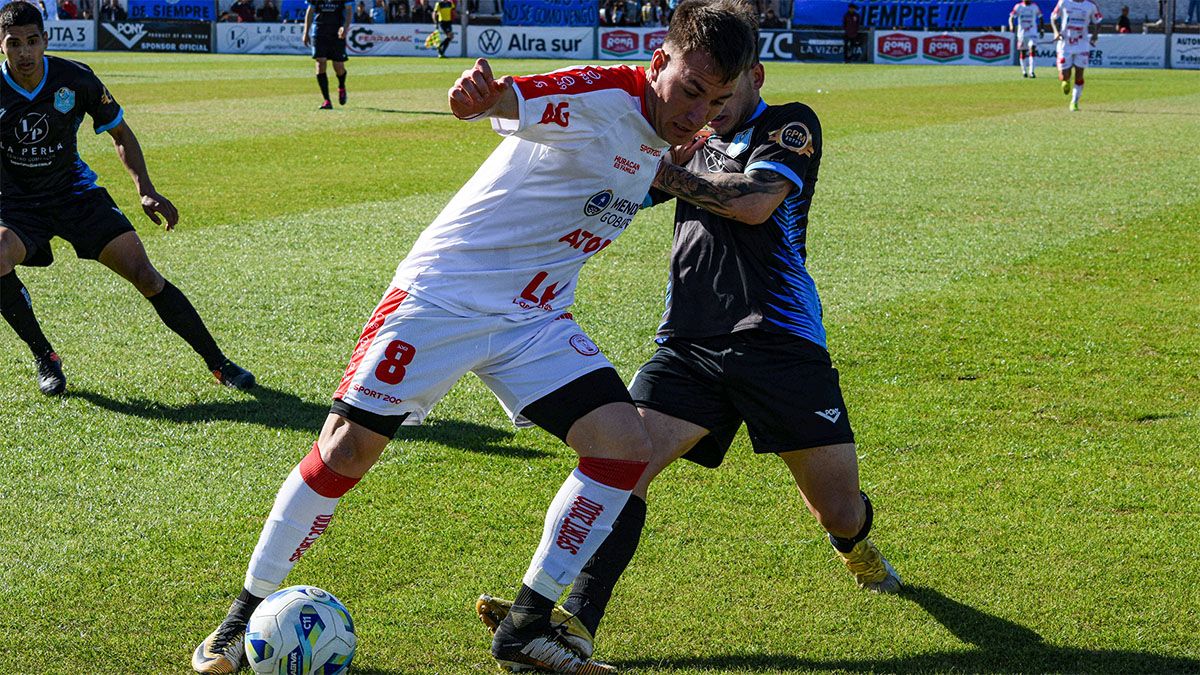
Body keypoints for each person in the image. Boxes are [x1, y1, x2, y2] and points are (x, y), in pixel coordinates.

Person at [189, 2, 756, 674]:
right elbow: (513, 102)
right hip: (444, 296)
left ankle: (525, 627)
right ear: (659, 62)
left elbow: (630, 172)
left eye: (717, 101)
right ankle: (241, 615)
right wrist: (482, 97)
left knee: (623, 446)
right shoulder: (604, 92)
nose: (700, 114)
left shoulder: (670, 133)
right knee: (345, 450)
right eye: (691, 91)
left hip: (534, 319)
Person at [476, 42, 902, 666]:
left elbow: (755, 204)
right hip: (689, 345)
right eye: (705, 94)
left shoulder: (790, 124)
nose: (714, 107)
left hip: (780, 346)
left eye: (726, 95)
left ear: (754, 77)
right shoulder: (689, 136)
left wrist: (657, 169)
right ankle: (573, 620)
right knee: (625, 464)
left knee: (837, 508)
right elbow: (625, 191)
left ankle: (856, 546)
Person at [0, 2, 254, 397]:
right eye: (14, 43)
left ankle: (219, 363)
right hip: (17, 205)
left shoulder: (75, 79)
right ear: (2, 46)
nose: (25, 52)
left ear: (46, 40)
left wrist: (145, 190)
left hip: (75, 195)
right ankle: (44, 356)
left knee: (147, 277)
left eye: (32, 41)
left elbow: (120, 133)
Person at [1051, 0, 1101, 111]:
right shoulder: (1063, 2)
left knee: (1079, 74)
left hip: (1082, 44)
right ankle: (1066, 81)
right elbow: (1053, 18)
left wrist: (1094, 35)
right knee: (1064, 76)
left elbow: (1097, 22)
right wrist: (1055, 32)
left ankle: (1074, 102)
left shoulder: (1090, 5)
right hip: (1065, 44)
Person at [303, 0, 351, 109]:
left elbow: (349, 11)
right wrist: (306, 32)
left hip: (337, 32)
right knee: (320, 63)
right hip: (319, 32)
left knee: (338, 66)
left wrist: (345, 27)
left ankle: (341, 86)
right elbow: (310, 11)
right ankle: (327, 100)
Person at [1009, 0, 1044, 77]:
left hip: (1032, 32)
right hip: (1022, 34)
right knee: (1023, 52)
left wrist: (1042, 29)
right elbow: (1011, 17)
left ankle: (1032, 71)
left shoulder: (1034, 7)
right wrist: (1011, 25)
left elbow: (1040, 17)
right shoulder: (1018, 7)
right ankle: (1024, 71)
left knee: (1032, 48)